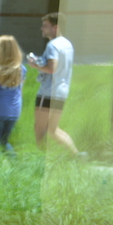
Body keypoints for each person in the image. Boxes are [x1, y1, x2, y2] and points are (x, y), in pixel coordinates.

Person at [27, 12, 78, 154]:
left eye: (45, 26)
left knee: (40, 128)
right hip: (61, 91)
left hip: (48, 92)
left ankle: (40, 161)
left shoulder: (52, 45)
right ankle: (77, 156)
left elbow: (51, 68)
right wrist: (40, 62)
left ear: (55, 27)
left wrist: (34, 65)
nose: (42, 28)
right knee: (52, 129)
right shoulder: (67, 44)